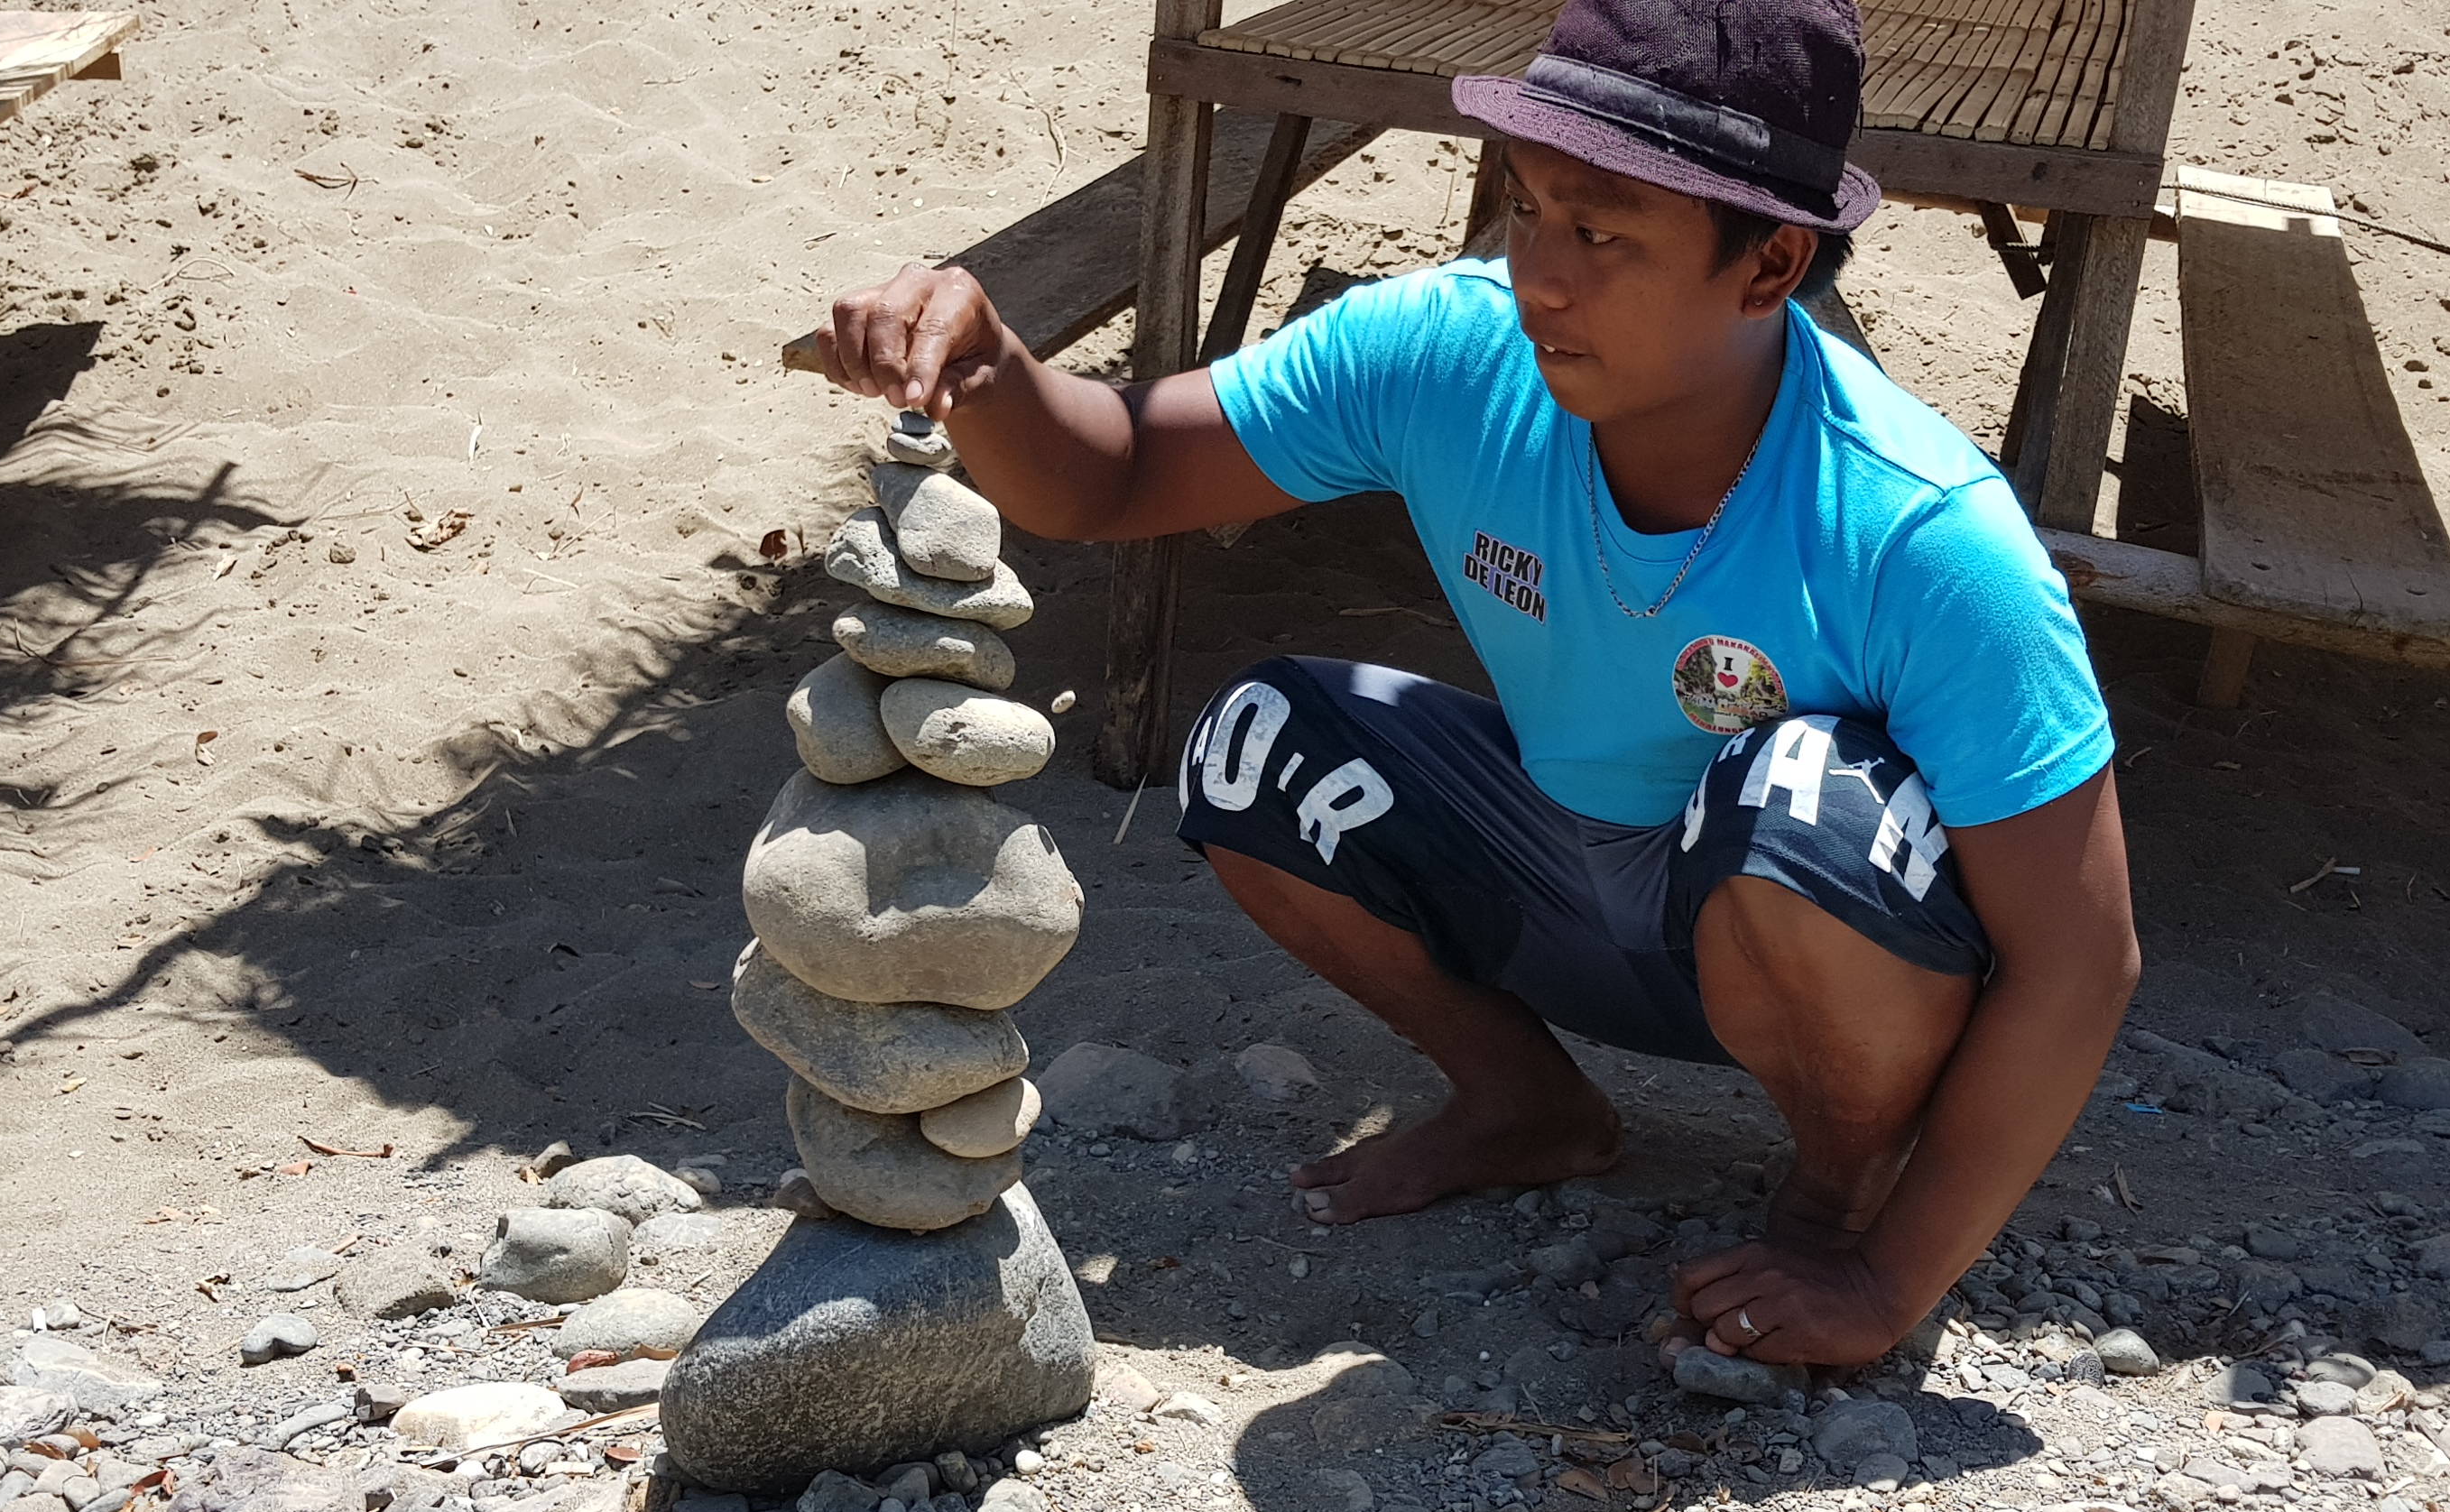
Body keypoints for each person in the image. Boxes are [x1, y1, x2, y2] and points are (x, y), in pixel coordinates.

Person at [807, 0, 2138, 1372]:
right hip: (1564, 875)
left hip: (1814, 947)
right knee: (1255, 743)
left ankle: (1835, 1196)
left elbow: (2081, 960)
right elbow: (1122, 471)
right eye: (1528, 207)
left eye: (1603, 233)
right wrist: (992, 371)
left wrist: (1888, 1279)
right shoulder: (1450, 355)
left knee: (1795, 791)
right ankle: (1529, 1107)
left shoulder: (1923, 532)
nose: (1539, 275)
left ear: (1771, 265)